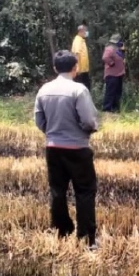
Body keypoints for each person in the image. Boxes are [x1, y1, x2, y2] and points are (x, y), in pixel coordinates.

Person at [35, 49, 101, 247]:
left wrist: (52, 132)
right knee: (85, 191)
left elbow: (39, 120)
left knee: (57, 191)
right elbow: (89, 120)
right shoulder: (79, 90)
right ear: (75, 68)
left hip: (53, 148)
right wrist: (87, 131)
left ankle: (61, 231)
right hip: (78, 148)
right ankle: (86, 237)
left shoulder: (44, 90)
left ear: (55, 68)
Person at [101, 34, 126, 113]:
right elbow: (105, 57)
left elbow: (121, 58)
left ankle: (115, 108)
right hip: (112, 74)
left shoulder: (118, 49)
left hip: (119, 74)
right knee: (110, 92)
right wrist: (111, 63)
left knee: (118, 92)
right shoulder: (110, 48)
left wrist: (123, 51)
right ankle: (107, 109)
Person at [70, 24, 92, 91]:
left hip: (84, 70)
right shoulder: (77, 40)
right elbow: (76, 54)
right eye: (85, 31)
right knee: (81, 89)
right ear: (81, 31)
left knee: (87, 87)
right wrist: (77, 68)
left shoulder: (82, 40)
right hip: (80, 71)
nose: (86, 33)